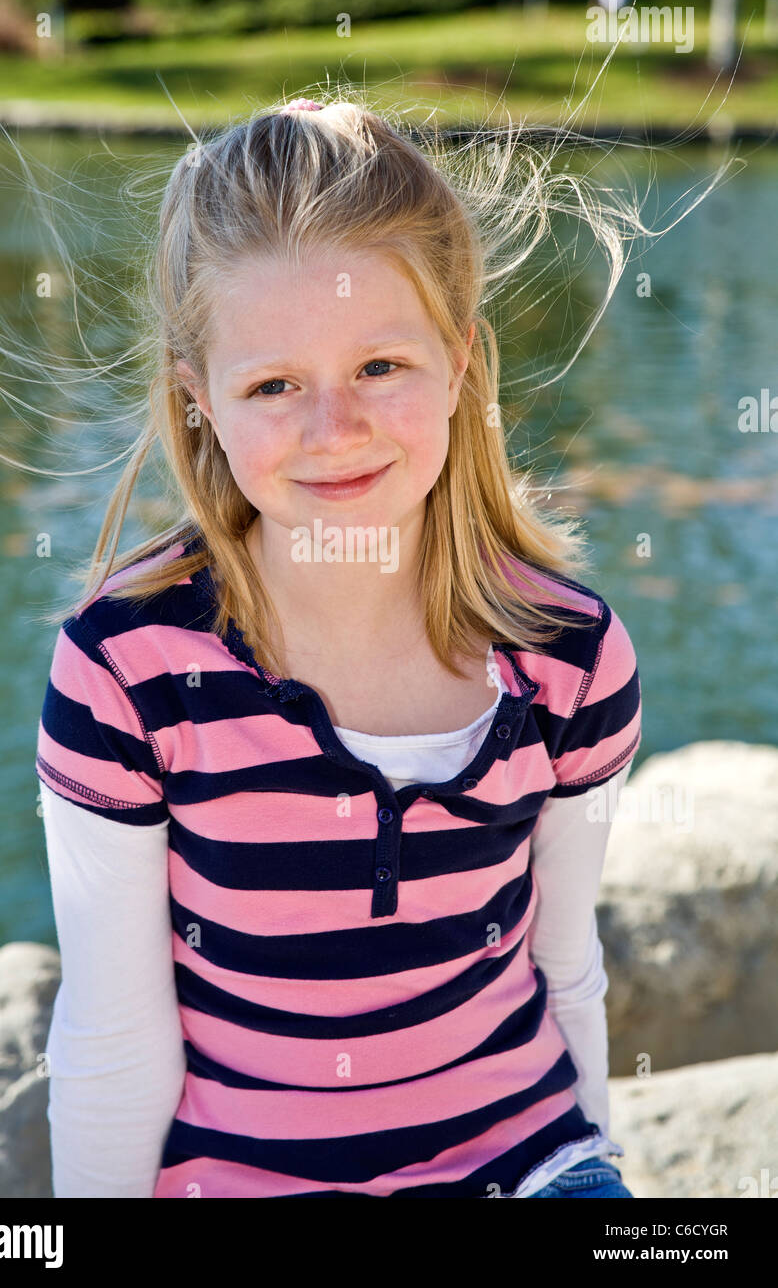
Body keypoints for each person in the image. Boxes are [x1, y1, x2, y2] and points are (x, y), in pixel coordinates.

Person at [35, 94, 643, 1198]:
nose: (334, 429)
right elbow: (113, 1035)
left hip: (528, 1164)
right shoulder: (127, 673)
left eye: (379, 368)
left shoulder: (566, 656)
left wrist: (593, 1171)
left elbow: (564, 965)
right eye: (273, 385)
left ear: (458, 364)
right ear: (199, 401)